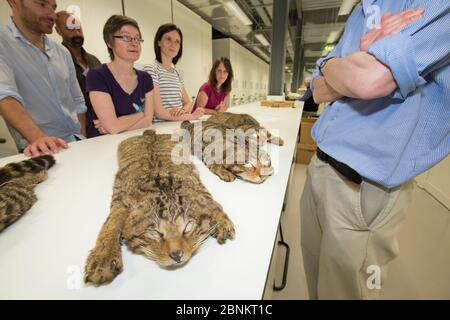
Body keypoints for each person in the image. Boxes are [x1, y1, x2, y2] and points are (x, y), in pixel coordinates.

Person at [301, 1, 449, 300]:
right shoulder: (360, 10)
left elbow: (367, 80)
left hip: (364, 192)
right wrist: (354, 60)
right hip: (319, 168)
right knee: (315, 279)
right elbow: (318, 90)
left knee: (346, 292)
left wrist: (334, 66)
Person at [0, 0, 87, 157]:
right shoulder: (3, 42)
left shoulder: (62, 52)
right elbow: (4, 95)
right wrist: (40, 139)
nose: (52, 14)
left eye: (53, 7)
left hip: (76, 142)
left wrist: (82, 135)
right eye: (42, 4)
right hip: (39, 150)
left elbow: (78, 102)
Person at [85, 15, 153, 137]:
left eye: (137, 39)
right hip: (101, 145)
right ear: (109, 42)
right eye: (126, 37)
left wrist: (116, 126)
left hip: (133, 142)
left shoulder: (145, 78)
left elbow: (148, 121)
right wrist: (141, 114)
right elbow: (113, 126)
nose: (134, 43)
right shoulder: (97, 76)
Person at [143, 23, 203, 122]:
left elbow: (188, 103)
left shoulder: (177, 73)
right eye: (168, 39)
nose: (173, 45)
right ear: (158, 42)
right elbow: (158, 112)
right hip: (161, 128)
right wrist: (191, 116)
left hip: (179, 124)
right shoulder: (151, 70)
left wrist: (182, 111)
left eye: (177, 42)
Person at [55, 10, 101, 137]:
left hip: (101, 128)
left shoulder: (94, 61)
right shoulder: (56, 62)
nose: (76, 33)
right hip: (74, 133)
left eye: (78, 28)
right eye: (70, 29)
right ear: (58, 30)